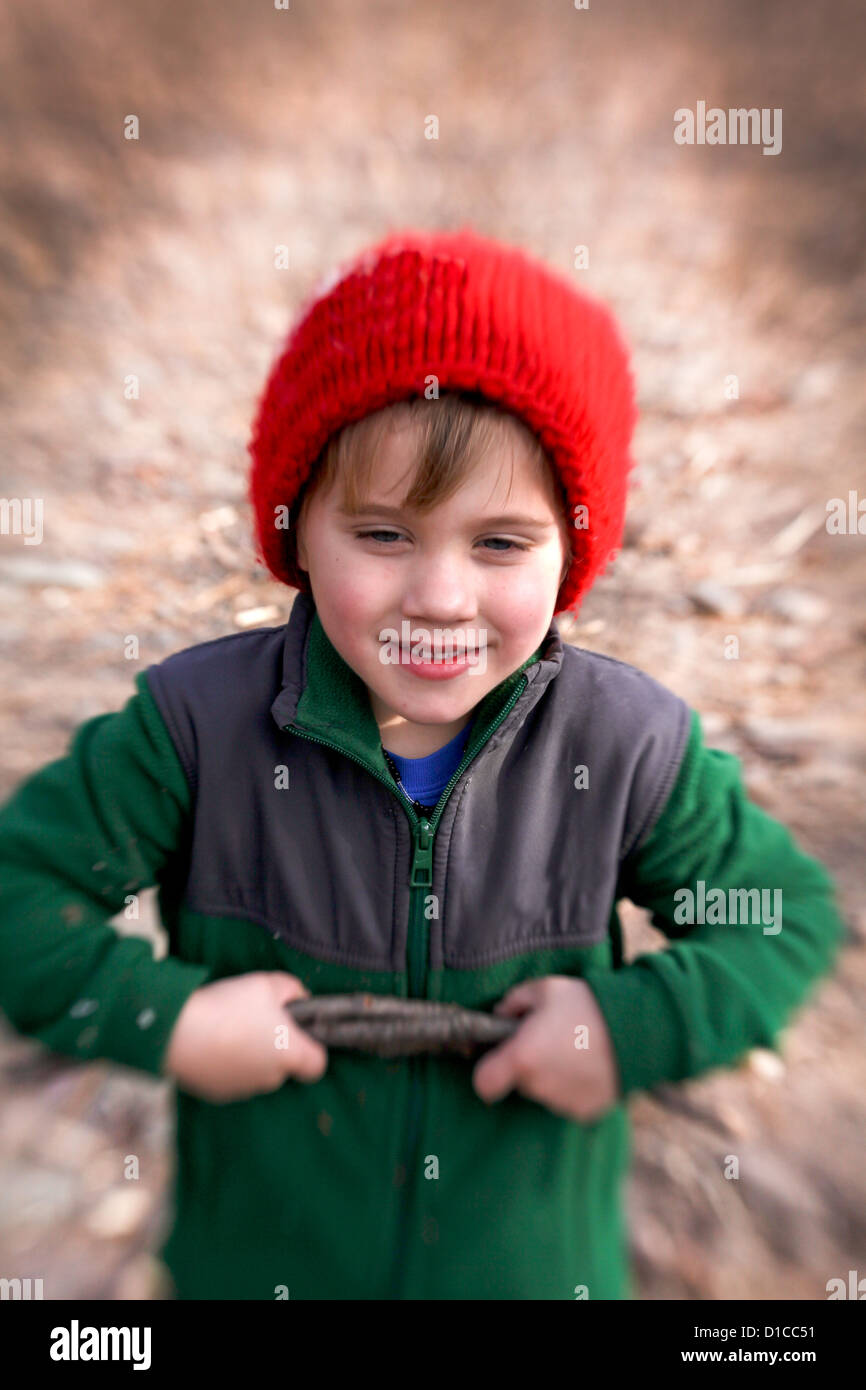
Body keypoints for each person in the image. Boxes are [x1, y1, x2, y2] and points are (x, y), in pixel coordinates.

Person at [0, 227, 846, 1300]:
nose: (440, 598)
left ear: (569, 553)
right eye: (384, 535)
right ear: (297, 529)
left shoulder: (621, 744)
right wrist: (169, 1019)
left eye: (498, 544)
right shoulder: (196, 728)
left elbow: (781, 912)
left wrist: (628, 1028)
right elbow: (21, 893)